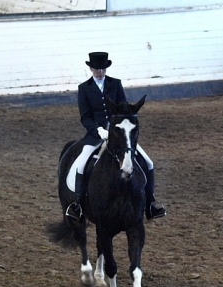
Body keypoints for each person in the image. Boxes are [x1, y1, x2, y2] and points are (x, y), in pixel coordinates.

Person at [66, 52, 166, 221]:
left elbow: (124, 108)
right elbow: (85, 116)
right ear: (91, 68)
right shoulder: (84, 88)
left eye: (103, 68)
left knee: (148, 162)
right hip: (96, 135)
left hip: (119, 134)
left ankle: (150, 204)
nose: (100, 72)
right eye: (97, 69)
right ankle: (78, 205)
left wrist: (117, 127)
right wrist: (98, 130)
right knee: (81, 165)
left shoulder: (116, 83)